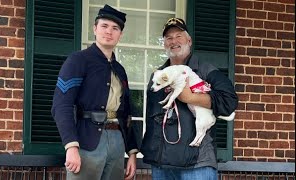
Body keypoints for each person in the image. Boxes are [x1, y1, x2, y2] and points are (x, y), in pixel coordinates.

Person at [140, 18, 238, 179]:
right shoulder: (157, 75)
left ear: (189, 40)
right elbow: (152, 117)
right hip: (162, 163)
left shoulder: (206, 70)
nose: (174, 41)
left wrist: (191, 98)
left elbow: (230, 101)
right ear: (164, 43)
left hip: (197, 164)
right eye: (169, 38)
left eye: (179, 36)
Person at [51, 4, 138, 180]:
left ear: (120, 35)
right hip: (86, 142)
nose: (109, 32)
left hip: (117, 142)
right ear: (95, 29)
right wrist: (71, 146)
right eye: (104, 26)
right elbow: (61, 105)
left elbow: (127, 113)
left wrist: (132, 152)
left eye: (115, 28)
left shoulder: (120, 70)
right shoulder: (78, 60)